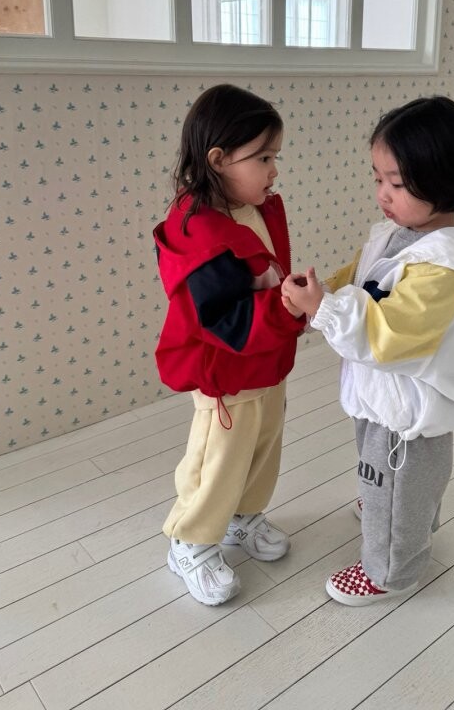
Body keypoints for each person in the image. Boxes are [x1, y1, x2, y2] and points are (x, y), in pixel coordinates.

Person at [281, 95, 454, 606]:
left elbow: (391, 333)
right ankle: (401, 510)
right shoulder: (397, 234)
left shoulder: (443, 268)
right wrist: (322, 294)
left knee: (398, 475)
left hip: (408, 407)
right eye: (377, 177)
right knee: (394, 477)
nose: (382, 193)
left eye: (396, 183)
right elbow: (359, 278)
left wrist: (325, 311)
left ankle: (391, 569)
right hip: (381, 395)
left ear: (443, 181)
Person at [153, 83, 305, 606]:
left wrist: (291, 302)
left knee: (263, 446)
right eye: (263, 158)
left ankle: (243, 516)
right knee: (218, 459)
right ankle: (190, 540)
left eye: (275, 157)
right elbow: (223, 319)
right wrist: (288, 308)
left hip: (266, 360)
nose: (273, 170)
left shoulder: (250, 207)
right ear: (218, 160)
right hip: (226, 372)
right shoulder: (199, 232)